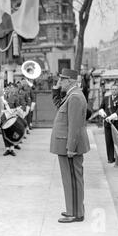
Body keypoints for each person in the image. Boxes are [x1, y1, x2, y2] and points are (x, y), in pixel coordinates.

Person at [50, 68, 90, 223]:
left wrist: (71, 148)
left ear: (70, 81)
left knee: (72, 180)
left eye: (63, 80)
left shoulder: (74, 97)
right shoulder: (72, 95)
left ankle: (75, 213)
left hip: (70, 147)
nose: (61, 83)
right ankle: (74, 209)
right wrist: (56, 88)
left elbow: (74, 126)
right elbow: (58, 105)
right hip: (67, 145)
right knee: (70, 179)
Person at [98, 81, 118, 164]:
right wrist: (102, 112)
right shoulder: (106, 98)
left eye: (115, 89)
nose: (114, 91)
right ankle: (110, 158)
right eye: (112, 89)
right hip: (108, 124)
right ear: (110, 89)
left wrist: (110, 117)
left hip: (117, 124)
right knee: (109, 141)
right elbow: (101, 108)